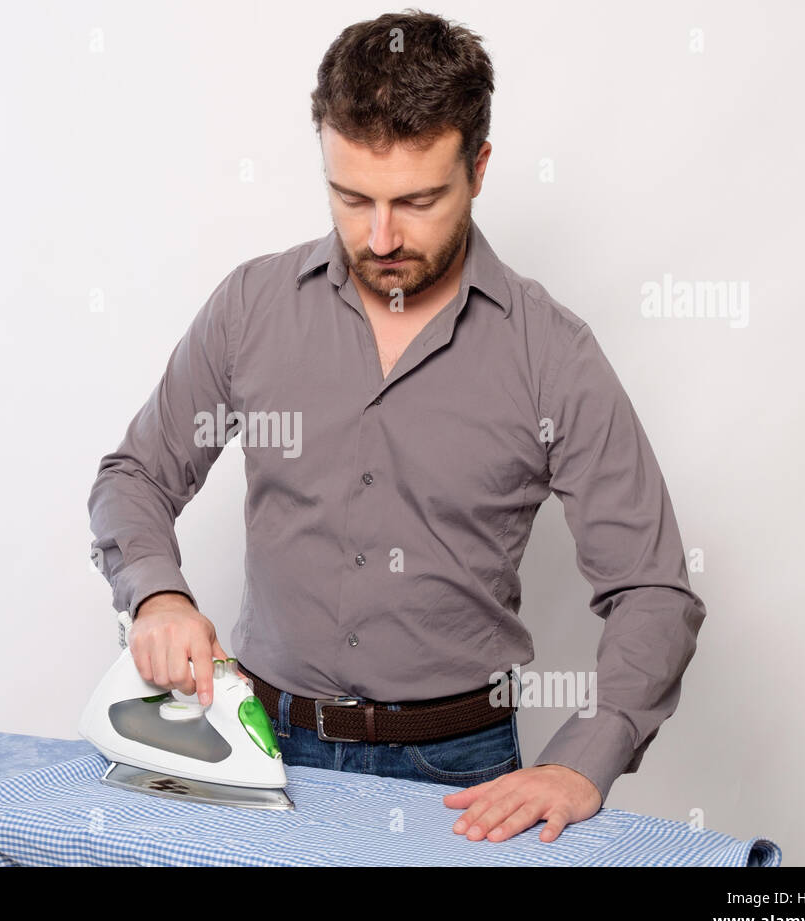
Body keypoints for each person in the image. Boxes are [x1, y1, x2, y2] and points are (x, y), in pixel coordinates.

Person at [87, 10, 706, 845]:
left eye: (417, 201)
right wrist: (157, 594)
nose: (380, 238)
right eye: (352, 199)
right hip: (260, 748)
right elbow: (135, 475)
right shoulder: (251, 307)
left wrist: (584, 759)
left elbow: (653, 590)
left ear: (477, 169)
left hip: (458, 774)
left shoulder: (553, 355)